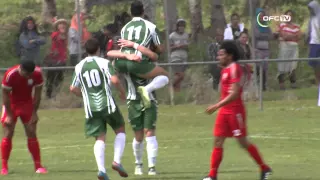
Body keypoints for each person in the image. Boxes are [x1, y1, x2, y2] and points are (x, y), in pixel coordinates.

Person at [203, 41, 272, 180]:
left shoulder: (235, 68)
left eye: (221, 54)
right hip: (224, 112)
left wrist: (216, 106)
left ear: (230, 55)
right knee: (218, 141)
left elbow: (234, 94)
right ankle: (212, 175)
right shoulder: (225, 69)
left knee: (242, 142)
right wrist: (220, 107)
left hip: (235, 112)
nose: (219, 57)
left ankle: (264, 168)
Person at [69, 38, 133, 180]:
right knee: (120, 129)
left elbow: (73, 88)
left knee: (99, 137)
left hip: (91, 107)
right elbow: (115, 80)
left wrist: (85, 95)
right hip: (107, 103)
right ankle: (116, 161)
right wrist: (123, 93)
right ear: (98, 49)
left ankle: (101, 170)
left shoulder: (79, 66)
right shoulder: (104, 63)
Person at [107, 39, 160, 176]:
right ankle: (138, 164)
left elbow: (155, 61)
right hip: (133, 100)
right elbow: (111, 57)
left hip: (150, 99)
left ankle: (152, 167)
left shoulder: (146, 57)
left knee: (150, 132)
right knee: (138, 135)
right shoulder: (121, 61)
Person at [114, 0, 169, 108]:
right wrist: (153, 50)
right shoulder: (150, 26)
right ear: (143, 11)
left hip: (120, 61)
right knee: (164, 75)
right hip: (136, 61)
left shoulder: (125, 28)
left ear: (131, 13)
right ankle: (146, 90)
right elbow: (160, 49)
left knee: (132, 81)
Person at [1, 61, 47, 175]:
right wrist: (10, 115)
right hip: (11, 104)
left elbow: (37, 94)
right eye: (25, 74)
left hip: (27, 104)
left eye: (29, 75)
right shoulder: (10, 74)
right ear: (20, 68)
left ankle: (38, 166)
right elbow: (5, 95)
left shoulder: (37, 73)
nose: (27, 77)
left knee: (32, 132)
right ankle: (4, 167)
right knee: (8, 132)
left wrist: (34, 112)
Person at [277, 10, 301, 90]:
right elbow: (283, 36)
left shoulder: (296, 26)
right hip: (285, 47)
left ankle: (293, 83)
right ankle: (281, 84)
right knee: (282, 65)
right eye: (287, 15)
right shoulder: (282, 25)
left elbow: (299, 36)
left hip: (294, 47)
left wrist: (289, 36)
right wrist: (292, 36)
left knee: (293, 65)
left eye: (290, 15)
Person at [45, 18, 69, 99]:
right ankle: (48, 95)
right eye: (60, 24)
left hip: (62, 60)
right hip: (53, 60)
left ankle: (56, 95)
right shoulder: (55, 34)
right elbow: (53, 39)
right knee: (51, 78)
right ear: (57, 27)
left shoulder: (66, 36)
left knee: (59, 79)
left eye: (63, 24)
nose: (62, 25)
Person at [254, 8, 273, 91]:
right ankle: (257, 84)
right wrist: (265, 36)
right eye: (260, 16)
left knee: (265, 68)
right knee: (258, 67)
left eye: (263, 16)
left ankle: (263, 86)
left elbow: (271, 36)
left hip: (266, 49)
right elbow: (256, 35)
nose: (262, 17)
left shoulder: (267, 26)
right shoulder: (255, 26)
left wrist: (263, 35)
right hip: (258, 49)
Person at [169, 19, 189, 92]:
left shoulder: (186, 35)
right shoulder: (172, 36)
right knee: (180, 75)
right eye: (180, 26)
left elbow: (188, 45)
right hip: (175, 58)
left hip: (184, 57)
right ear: (177, 27)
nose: (181, 28)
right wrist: (177, 46)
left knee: (179, 78)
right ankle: (171, 84)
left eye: (183, 26)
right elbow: (169, 48)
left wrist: (186, 46)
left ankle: (176, 94)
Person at [307, 0, 320, 85]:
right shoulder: (311, 18)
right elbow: (310, 31)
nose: (310, 10)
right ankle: (317, 81)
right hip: (313, 43)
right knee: (314, 64)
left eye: (311, 8)